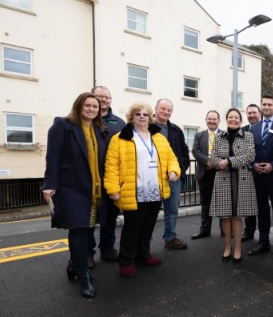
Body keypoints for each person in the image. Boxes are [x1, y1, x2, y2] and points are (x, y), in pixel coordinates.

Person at [42, 92, 107, 298]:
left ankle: (73, 264)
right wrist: (49, 184)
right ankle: (84, 275)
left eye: (95, 107)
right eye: (87, 105)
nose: (91, 109)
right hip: (71, 186)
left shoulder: (98, 129)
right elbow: (53, 155)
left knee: (88, 227)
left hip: (94, 187)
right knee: (78, 229)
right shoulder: (63, 125)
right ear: (79, 106)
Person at [104, 102, 180, 278]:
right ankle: (127, 261)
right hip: (133, 190)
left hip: (154, 189)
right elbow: (111, 165)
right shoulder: (120, 138)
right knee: (132, 227)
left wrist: (173, 171)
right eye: (138, 114)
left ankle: (143, 256)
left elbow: (171, 158)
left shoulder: (159, 138)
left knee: (148, 226)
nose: (142, 117)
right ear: (132, 117)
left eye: (145, 114)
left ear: (150, 117)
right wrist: (113, 188)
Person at [210, 108, 256, 263]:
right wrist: (219, 163)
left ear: (240, 120)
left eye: (236, 117)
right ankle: (227, 248)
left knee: (237, 217)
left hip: (241, 179)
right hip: (223, 178)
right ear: (226, 119)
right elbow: (213, 157)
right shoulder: (218, 136)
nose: (233, 119)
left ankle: (237, 249)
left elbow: (250, 156)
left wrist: (229, 161)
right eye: (230, 117)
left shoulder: (248, 135)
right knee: (225, 217)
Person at [248, 95, 273, 260]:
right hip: (258, 177)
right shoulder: (254, 128)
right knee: (262, 211)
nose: (267, 107)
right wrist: (253, 164)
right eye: (264, 104)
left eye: (270, 104)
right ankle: (263, 242)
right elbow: (249, 152)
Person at [90, 86, 126, 264]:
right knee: (89, 218)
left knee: (110, 218)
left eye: (107, 97)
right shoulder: (85, 120)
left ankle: (107, 249)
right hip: (89, 178)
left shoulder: (119, 123)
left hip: (112, 178)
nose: (104, 100)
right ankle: (87, 253)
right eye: (99, 97)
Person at [154, 99, 190, 250]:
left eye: (169, 110)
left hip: (173, 178)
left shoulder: (176, 130)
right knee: (149, 212)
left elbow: (183, 153)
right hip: (152, 178)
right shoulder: (145, 127)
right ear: (155, 109)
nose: (166, 112)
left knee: (172, 210)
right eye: (163, 109)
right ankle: (143, 243)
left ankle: (169, 238)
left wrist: (177, 171)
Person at [191, 111, 222, 239]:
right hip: (204, 173)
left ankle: (224, 230)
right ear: (206, 120)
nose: (212, 121)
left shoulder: (224, 135)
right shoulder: (199, 135)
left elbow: (228, 152)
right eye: (209, 119)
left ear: (219, 121)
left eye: (214, 119)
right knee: (205, 204)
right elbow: (195, 151)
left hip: (220, 172)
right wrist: (207, 161)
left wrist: (214, 163)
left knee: (221, 203)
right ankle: (205, 230)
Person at [241, 103, 261, 242]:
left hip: (263, 172)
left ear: (259, 114)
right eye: (249, 113)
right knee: (248, 205)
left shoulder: (265, 129)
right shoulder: (241, 131)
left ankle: (264, 233)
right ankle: (249, 232)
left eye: (254, 112)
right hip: (246, 173)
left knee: (262, 205)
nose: (252, 115)